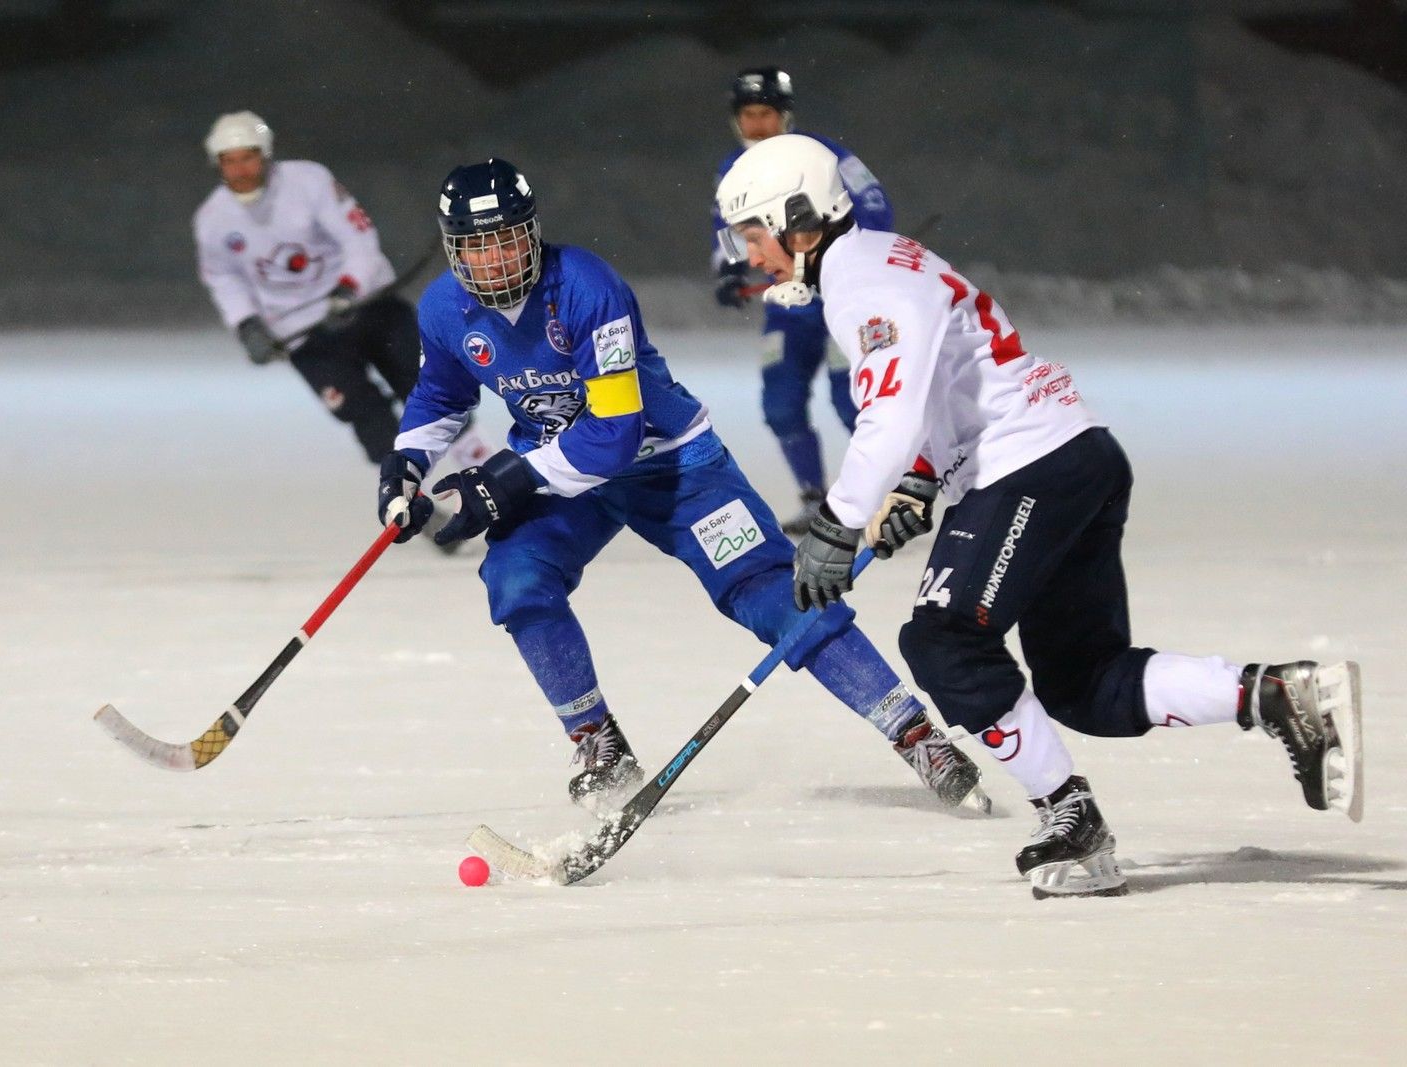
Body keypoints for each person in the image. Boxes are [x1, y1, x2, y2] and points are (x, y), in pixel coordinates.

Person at [716, 134, 1365, 899]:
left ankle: (1072, 820)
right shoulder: (883, 258)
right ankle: (1280, 694)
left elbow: (889, 410)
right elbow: (941, 387)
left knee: (944, 639)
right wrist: (924, 481)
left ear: (798, 221)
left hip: (1028, 466)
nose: (748, 258)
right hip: (1072, 456)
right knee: (1084, 683)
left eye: (752, 235)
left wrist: (838, 522)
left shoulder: (860, 281)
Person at [376, 157, 991, 813]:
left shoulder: (586, 288)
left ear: (530, 234)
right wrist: (407, 461)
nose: (494, 259)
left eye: (505, 239)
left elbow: (613, 435)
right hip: (558, 474)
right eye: (475, 245)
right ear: (453, 249)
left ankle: (913, 731)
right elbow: (440, 392)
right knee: (516, 578)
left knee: (772, 594)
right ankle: (598, 743)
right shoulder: (446, 306)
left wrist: (504, 480)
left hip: (670, 463)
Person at [191, 111, 488, 479]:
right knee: (363, 412)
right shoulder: (212, 219)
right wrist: (246, 325)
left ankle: (484, 472)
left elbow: (357, 237)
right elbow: (224, 278)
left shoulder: (309, 181)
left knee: (427, 387)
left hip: (369, 307)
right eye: (229, 161)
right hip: (305, 335)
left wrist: (347, 290)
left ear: (265, 154)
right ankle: (407, 498)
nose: (240, 169)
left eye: (247, 157)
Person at [711, 67, 895, 536]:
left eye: (766, 113)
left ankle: (881, 498)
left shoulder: (826, 155)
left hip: (840, 305)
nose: (757, 125)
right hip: (786, 307)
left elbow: (873, 204)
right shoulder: (731, 168)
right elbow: (729, 231)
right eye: (748, 115)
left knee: (851, 399)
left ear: (785, 115)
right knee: (781, 403)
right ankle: (814, 499)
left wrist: (856, 260)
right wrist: (730, 268)